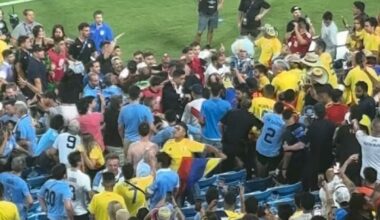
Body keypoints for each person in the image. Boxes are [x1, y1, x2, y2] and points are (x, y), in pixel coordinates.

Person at [220, 98, 263, 177]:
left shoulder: (231, 112)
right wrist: (253, 136)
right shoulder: (251, 117)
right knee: (246, 163)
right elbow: (261, 126)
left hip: (227, 142)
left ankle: (224, 179)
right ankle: (246, 177)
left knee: (226, 165)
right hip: (240, 145)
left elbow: (221, 124)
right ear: (249, 107)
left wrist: (223, 134)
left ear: (240, 104)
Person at [305, 103, 336, 190]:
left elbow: (306, 142)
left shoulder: (312, 126)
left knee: (314, 185)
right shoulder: (331, 124)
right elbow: (334, 139)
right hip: (327, 157)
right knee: (328, 183)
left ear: (315, 113)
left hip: (314, 159)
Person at [118, 85, 154, 153]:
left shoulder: (123, 109)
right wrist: (149, 138)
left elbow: (120, 127)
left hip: (128, 140)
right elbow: (151, 127)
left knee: (129, 162)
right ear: (140, 95)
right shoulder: (146, 109)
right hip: (142, 140)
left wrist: (123, 138)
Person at [255, 102, 285, 177]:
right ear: (282, 111)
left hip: (261, 147)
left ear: (274, 108)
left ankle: (259, 178)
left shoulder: (267, 116)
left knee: (260, 163)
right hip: (273, 151)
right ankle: (265, 179)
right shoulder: (284, 122)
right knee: (268, 168)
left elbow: (262, 127)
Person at [200, 83, 231, 148]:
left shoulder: (205, 103)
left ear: (210, 91)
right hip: (221, 137)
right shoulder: (227, 105)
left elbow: (201, 121)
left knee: (207, 158)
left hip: (207, 136)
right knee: (220, 157)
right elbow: (230, 122)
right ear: (220, 91)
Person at [281, 109, 308, 184]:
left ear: (283, 118)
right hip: (306, 160)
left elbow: (288, 154)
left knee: (293, 182)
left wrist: (284, 168)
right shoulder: (302, 126)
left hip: (295, 163)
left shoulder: (287, 134)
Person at [67, 151, 92, 220]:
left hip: (67, 210)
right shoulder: (84, 177)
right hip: (81, 212)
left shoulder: (64, 173)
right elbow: (89, 195)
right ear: (79, 162)